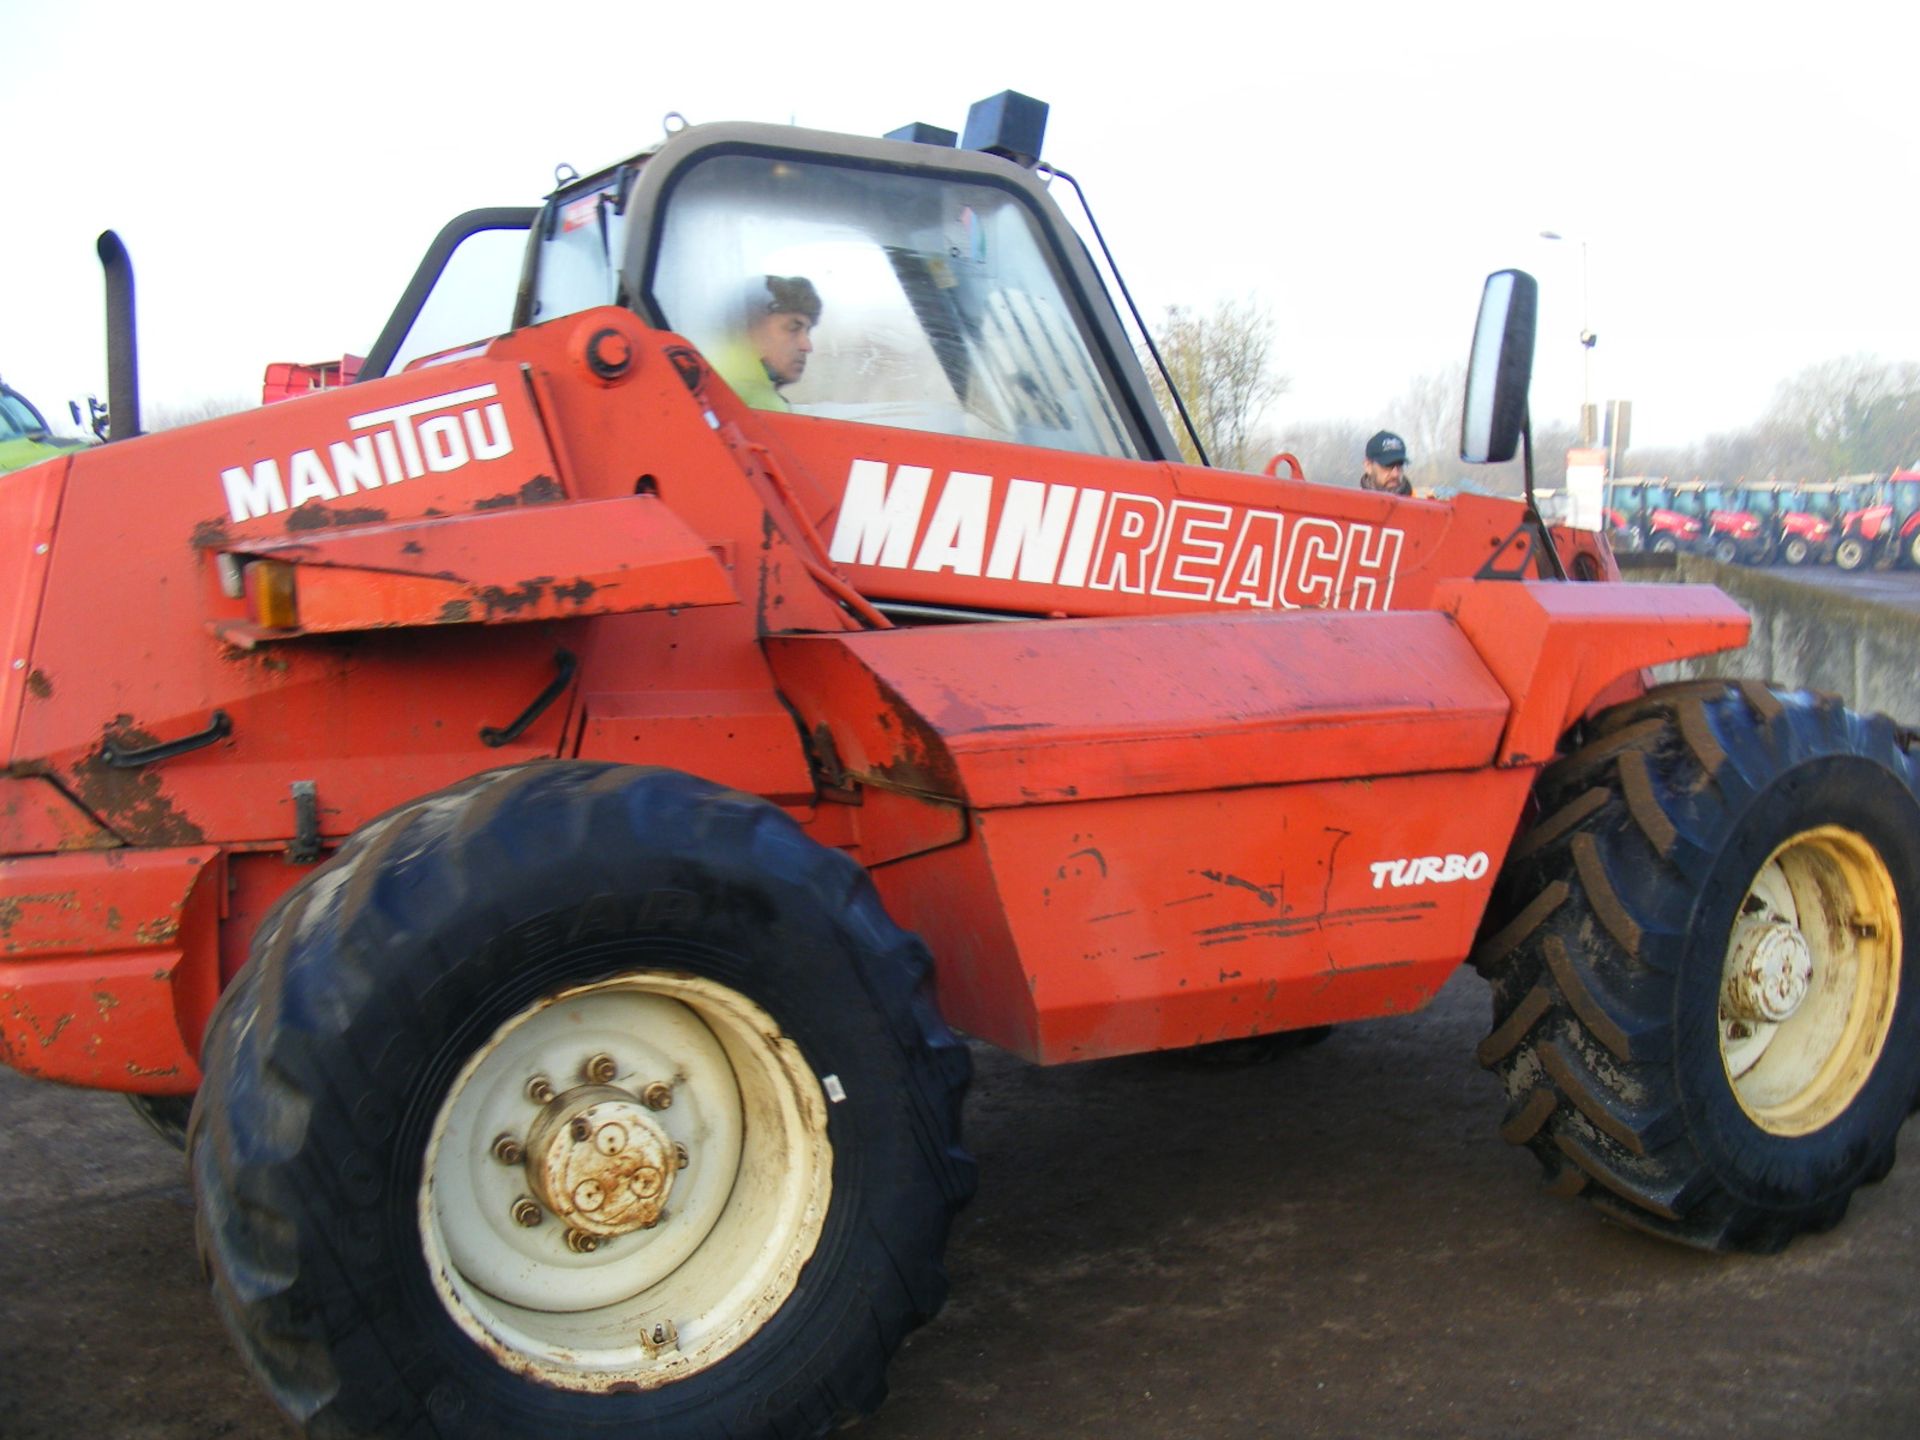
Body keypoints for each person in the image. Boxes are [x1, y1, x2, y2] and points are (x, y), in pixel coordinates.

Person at [715, 274, 822, 410]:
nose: (807, 346)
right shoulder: (758, 403)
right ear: (749, 330)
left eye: (807, 332)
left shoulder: (709, 383)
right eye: (793, 328)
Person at [1360, 430, 1414, 496]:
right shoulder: (1352, 504)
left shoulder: (1419, 504)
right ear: (1368, 466)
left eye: (1400, 465)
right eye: (1388, 465)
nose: (1395, 474)